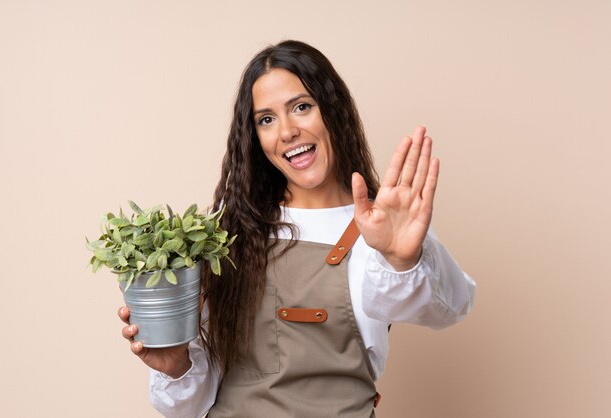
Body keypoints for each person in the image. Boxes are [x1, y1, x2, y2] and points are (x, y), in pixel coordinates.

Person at [118, 40, 476, 417]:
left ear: (333, 110)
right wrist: (176, 366)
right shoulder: (230, 231)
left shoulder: (382, 223)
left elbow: (452, 308)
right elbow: (189, 404)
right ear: (255, 138)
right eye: (266, 119)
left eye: (302, 107)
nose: (287, 131)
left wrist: (406, 259)